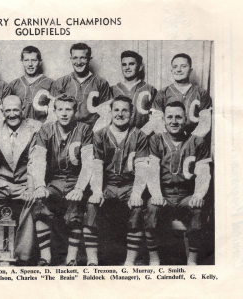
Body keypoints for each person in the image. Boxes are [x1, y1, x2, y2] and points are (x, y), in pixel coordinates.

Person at [145, 101, 212, 265]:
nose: (174, 121)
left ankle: (192, 260)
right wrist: (156, 194)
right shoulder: (156, 140)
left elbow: (203, 173)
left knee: (198, 207)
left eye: (178, 117)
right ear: (164, 120)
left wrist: (198, 195)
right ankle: (154, 258)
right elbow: (152, 170)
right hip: (164, 194)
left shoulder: (198, 142)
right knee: (152, 208)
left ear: (185, 120)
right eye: (169, 117)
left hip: (186, 195)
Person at [0, 95, 41, 266]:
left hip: (24, 183)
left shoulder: (34, 128)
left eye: (15, 110)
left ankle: (23, 256)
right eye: (8, 111)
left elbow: (34, 161)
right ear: (2, 112)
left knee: (35, 199)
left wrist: (31, 187)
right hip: (2, 183)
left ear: (23, 110)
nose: (12, 114)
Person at [32, 94, 94, 266]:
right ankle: (46, 257)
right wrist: (39, 185)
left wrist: (80, 188)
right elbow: (38, 159)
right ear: (55, 112)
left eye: (68, 109)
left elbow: (88, 163)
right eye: (60, 109)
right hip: (54, 180)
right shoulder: (46, 129)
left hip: (76, 180)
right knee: (39, 202)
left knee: (76, 206)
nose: (64, 113)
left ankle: (71, 258)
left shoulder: (84, 129)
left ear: (75, 111)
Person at [88, 95, 149, 266]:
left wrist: (137, 193)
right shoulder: (100, 135)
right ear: (111, 112)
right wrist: (97, 191)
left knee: (137, 207)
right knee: (91, 205)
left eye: (124, 110)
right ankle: (92, 260)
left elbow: (142, 169)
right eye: (116, 110)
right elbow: (97, 166)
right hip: (107, 185)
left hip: (128, 185)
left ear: (131, 113)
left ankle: (129, 261)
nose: (120, 114)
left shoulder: (140, 136)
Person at [150, 53, 212, 138]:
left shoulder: (202, 93)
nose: (178, 70)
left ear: (190, 70)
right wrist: (169, 140)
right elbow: (157, 123)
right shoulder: (162, 93)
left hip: (194, 142)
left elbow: (204, 124)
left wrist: (191, 142)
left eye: (183, 66)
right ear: (171, 71)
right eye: (175, 67)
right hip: (169, 142)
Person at [51, 43, 112, 130]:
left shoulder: (101, 83)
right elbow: (53, 114)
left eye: (83, 58)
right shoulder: (61, 82)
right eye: (75, 58)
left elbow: (106, 115)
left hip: (92, 130)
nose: (78, 62)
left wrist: (95, 133)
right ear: (71, 59)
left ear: (89, 59)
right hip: (66, 130)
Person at [111, 50, 157, 130]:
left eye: (131, 64)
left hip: (143, 137)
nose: (127, 68)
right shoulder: (112, 89)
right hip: (119, 137)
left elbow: (156, 119)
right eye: (124, 64)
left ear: (140, 67)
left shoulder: (150, 89)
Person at [8, 46, 54, 122]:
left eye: (34, 60)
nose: (30, 64)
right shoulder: (13, 85)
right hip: (20, 130)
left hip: (43, 129)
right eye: (26, 60)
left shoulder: (50, 83)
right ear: (22, 61)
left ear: (40, 62)